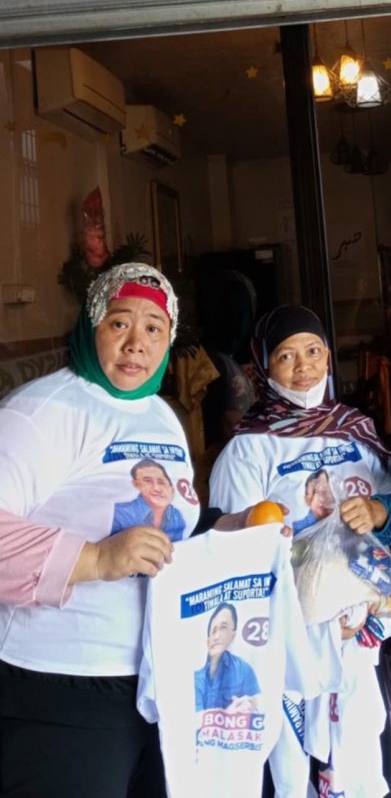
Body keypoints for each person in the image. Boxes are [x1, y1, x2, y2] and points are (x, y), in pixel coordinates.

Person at [0, 261, 238, 798]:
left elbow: (171, 527)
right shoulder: (42, 411)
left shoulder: (159, 415)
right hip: (60, 685)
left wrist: (233, 526)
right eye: (119, 323)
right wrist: (95, 560)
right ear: (92, 326)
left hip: (159, 678)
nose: (136, 343)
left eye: (154, 327)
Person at [209, 304, 391, 798]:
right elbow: (232, 553)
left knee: (359, 760)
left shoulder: (356, 430)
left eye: (313, 351)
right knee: (292, 768)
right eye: (286, 356)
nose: (303, 367)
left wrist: (379, 512)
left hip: (363, 632)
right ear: (263, 367)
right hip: (290, 641)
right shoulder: (249, 448)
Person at [194, 602, 261, 712]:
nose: (216, 637)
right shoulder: (196, 678)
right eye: (213, 630)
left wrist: (251, 707)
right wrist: (229, 713)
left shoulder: (244, 670)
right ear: (207, 640)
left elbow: (260, 710)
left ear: (233, 635)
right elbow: (192, 720)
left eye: (223, 628)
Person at [111, 458, 186, 541]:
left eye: (161, 482)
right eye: (148, 481)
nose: (156, 488)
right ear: (136, 484)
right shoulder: (120, 514)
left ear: (171, 489)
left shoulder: (176, 515)